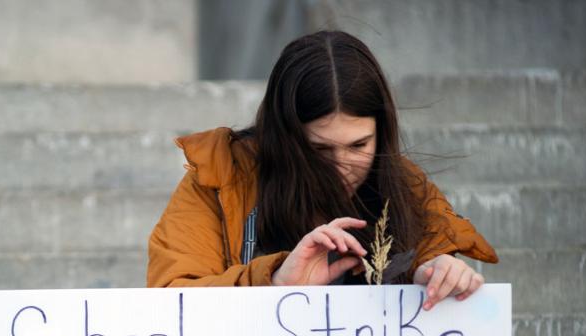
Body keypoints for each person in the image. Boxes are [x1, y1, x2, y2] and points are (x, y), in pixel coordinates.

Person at [146, 30, 498, 311]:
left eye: (359, 145)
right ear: (284, 138)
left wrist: (432, 271)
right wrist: (276, 281)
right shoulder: (221, 176)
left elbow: (435, 254)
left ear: (382, 133)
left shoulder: (405, 186)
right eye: (319, 149)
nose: (341, 167)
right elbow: (171, 299)